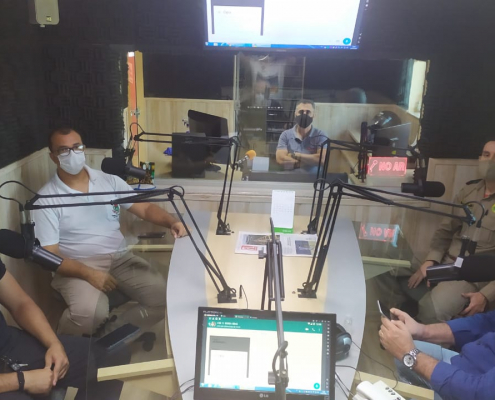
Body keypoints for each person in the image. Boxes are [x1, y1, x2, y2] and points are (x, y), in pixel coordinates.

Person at [33, 127, 188, 336]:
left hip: (120, 258)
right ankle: (66, 349)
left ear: (84, 149)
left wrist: (172, 221)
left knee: (162, 298)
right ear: (53, 157)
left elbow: (144, 208)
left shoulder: (109, 181)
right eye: (63, 150)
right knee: (89, 314)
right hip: (76, 265)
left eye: (76, 147)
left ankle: (108, 338)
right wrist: (89, 273)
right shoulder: (46, 199)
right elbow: (49, 254)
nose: (72, 153)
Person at [0, 257, 128, 399]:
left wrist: (54, 344)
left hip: (9, 343)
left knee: (113, 355)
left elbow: (20, 303)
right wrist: (22, 380)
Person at [401, 140, 495, 323]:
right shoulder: (469, 191)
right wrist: (431, 260)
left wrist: (486, 295)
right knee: (389, 266)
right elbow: (445, 230)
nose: (490, 161)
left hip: (471, 274)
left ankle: (418, 333)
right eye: (486, 155)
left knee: (431, 310)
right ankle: (399, 319)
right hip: (446, 260)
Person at [379, 307, 495, 400]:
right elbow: (487, 322)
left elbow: (479, 393)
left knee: (403, 354)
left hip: (473, 390)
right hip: (467, 361)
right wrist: (423, 331)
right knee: (400, 359)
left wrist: (411, 355)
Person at [275, 99, 327, 174]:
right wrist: (308, 161)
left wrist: (295, 155)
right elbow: (280, 159)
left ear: (314, 115)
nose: (304, 115)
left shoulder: (320, 135)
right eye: (301, 112)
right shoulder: (285, 135)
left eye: (308, 112)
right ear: (295, 114)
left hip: (313, 179)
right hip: (290, 178)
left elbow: (322, 160)